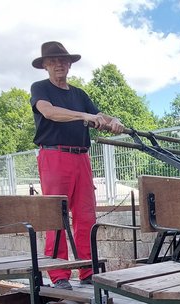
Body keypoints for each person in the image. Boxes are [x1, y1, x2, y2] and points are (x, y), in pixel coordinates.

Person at [30, 41, 124, 290]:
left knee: (85, 216)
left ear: (70, 64)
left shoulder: (79, 94)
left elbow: (100, 117)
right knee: (56, 216)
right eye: (53, 61)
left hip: (81, 157)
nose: (59, 65)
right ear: (45, 66)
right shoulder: (40, 88)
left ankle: (88, 271)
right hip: (54, 156)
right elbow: (49, 112)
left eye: (63, 60)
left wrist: (114, 121)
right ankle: (59, 275)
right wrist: (84, 116)